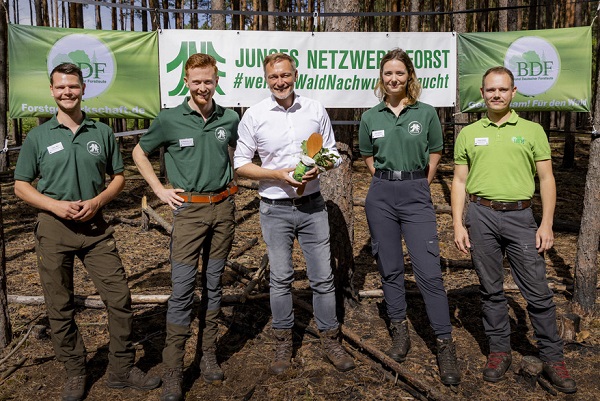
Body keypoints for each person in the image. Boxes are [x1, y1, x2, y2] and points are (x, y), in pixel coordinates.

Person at [13, 63, 161, 401]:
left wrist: (98, 201)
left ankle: (121, 371)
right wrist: (53, 206)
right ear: (52, 91)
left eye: (73, 87)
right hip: (53, 230)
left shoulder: (102, 132)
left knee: (120, 299)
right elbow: (21, 187)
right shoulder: (39, 136)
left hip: (95, 229)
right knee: (59, 305)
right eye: (61, 87)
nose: (67, 92)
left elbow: (119, 177)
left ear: (83, 89)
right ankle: (75, 371)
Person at [451, 66, 576, 394]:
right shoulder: (468, 133)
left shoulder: (532, 131)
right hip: (480, 217)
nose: (496, 95)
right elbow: (460, 181)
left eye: (502, 89)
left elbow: (547, 179)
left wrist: (546, 223)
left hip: (521, 219)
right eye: (490, 90)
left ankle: (552, 357)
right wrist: (457, 223)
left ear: (513, 92)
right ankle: (499, 352)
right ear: (482, 94)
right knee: (490, 290)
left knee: (537, 290)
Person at [234, 52, 355, 375]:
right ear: (266, 79)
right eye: (274, 77)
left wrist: (320, 167)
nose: (280, 82)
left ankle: (330, 338)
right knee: (281, 278)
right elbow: (240, 164)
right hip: (274, 209)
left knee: (323, 278)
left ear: (295, 74)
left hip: (313, 206)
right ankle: (283, 342)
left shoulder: (314, 109)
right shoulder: (255, 115)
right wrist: (277, 175)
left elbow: (332, 152)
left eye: (285, 75)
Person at [132, 53, 239, 401]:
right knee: (181, 291)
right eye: (196, 81)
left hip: (223, 209)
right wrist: (159, 190)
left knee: (213, 285)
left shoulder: (230, 117)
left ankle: (207, 355)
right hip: (189, 213)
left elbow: (240, 151)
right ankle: (174, 370)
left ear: (217, 80)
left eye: (208, 81)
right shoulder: (169, 119)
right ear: (186, 82)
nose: (203, 87)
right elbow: (138, 153)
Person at [358, 48, 460, 386]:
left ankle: (444, 342)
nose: (393, 78)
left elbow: (435, 152)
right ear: (381, 78)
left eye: (399, 73)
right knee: (389, 268)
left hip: (416, 194)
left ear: (409, 77)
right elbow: (368, 157)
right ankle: (399, 331)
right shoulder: (371, 116)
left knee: (429, 271)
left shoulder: (427, 113)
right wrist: (388, 181)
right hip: (381, 196)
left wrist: (417, 183)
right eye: (388, 73)